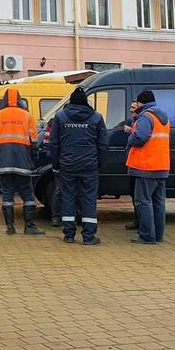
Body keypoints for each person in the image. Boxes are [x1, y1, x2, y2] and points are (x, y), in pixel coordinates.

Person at [49, 88, 107, 244]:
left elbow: (54, 143)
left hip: (67, 166)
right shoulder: (96, 117)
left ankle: (69, 235)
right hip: (90, 166)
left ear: (71, 102)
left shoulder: (60, 116)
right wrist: (100, 164)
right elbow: (103, 144)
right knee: (89, 199)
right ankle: (89, 236)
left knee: (68, 198)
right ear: (86, 102)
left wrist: (56, 163)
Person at [0, 88, 43, 235]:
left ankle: (10, 227)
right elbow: (34, 142)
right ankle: (29, 226)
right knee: (28, 195)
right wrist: (34, 160)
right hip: (23, 163)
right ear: (19, 99)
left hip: (4, 163)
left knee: (7, 195)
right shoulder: (27, 116)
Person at [125, 90, 171, 244]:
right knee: (158, 203)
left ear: (141, 103)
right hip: (162, 165)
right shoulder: (163, 117)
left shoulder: (146, 116)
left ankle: (146, 236)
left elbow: (140, 137)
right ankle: (158, 235)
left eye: (137, 103)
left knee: (143, 201)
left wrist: (130, 136)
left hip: (146, 166)